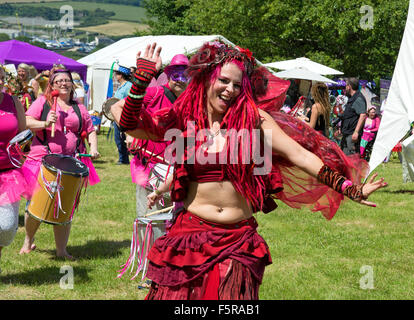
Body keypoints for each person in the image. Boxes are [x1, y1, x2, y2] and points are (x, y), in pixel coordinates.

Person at [112, 42, 387, 300]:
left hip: (237, 241)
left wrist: (348, 187)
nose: (230, 90)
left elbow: (299, 154)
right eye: (223, 81)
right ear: (207, 79)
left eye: (236, 84)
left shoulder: (254, 119)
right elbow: (130, 123)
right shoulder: (184, 118)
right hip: (190, 238)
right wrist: (142, 79)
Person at [19, 67, 100, 260]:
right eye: (59, 81)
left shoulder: (79, 107)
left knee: (65, 206)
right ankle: (28, 241)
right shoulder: (43, 102)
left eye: (67, 80)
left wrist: (93, 148)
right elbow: (26, 121)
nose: (63, 84)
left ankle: (61, 250)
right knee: (36, 204)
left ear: (72, 84)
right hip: (42, 159)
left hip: (71, 161)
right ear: (52, 85)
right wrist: (45, 124)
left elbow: (90, 130)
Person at [128, 54, 189, 219]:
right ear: (168, 75)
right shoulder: (154, 93)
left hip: (178, 171)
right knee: (149, 218)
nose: (180, 80)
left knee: (177, 222)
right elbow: (129, 110)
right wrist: (130, 134)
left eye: (185, 75)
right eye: (176, 75)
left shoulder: (191, 102)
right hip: (151, 166)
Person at [0, 66, 32, 272]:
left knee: (6, 227)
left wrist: (22, 156)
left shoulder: (13, 102)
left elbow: (24, 134)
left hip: (9, 172)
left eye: (1, 78)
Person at [339, 77, 367, 155]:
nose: (345, 88)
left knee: (352, 158)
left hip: (352, 134)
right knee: (344, 156)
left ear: (349, 86)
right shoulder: (352, 98)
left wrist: (356, 132)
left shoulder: (358, 98)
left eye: (346, 86)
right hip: (347, 133)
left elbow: (363, 115)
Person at [113, 65, 132, 165]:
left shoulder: (128, 86)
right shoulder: (121, 86)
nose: (116, 75)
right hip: (117, 115)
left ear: (122, 75)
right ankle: (123, 158)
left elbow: (130, 101)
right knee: (118, 138)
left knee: (123, 138)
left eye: (118, 73)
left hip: (124, 116)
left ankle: (124, 159)